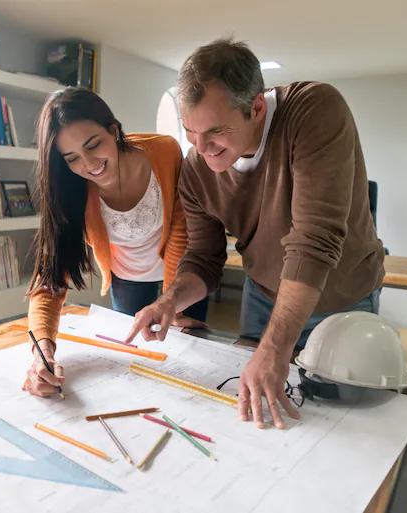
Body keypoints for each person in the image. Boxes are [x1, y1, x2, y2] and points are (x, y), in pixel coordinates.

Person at [125, 38, 386, 430]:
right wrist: (170, 299)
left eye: (216, 131)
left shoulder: (314, 110)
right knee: (258, 416)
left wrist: (274, 349)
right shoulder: (197, 167)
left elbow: (314, 240)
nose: (202, 148)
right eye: (191, 132)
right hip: (265, 297)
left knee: (340, 425)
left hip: (342, 298)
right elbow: (204, 258)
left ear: (257, 107)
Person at [23, 87, 211, 398]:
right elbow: (50, 281)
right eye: (72, 158)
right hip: (127, 279)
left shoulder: (165, 151)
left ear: (113, 129)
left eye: (93, 145)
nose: (89, 164)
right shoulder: (71, 190)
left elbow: (181, 228)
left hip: (182, 276)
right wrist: (43, 352)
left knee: (188, 366)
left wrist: (172, 300)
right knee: (134, 369)